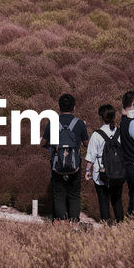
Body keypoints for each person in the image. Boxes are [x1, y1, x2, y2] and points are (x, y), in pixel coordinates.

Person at [42, 92, 89, 223]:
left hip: (57, 165)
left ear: (59, 107)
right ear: (74, 107)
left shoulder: (52, 123)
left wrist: (52, 145)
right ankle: (74, 223)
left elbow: (43, 143)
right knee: (74, 195)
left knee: (58, 194)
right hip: (75, 165)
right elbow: (87, 144)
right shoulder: (80, 123)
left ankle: (61, 223)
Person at [84, 103, 124, 224]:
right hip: (118, 172)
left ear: (101, 117)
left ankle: (106, 225)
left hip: (101, 173)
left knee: (103, 201)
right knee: (117, 200)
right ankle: (121, 225)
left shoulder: (97, 135)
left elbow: (91, 155)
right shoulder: (120, 133)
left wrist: (87, 170)